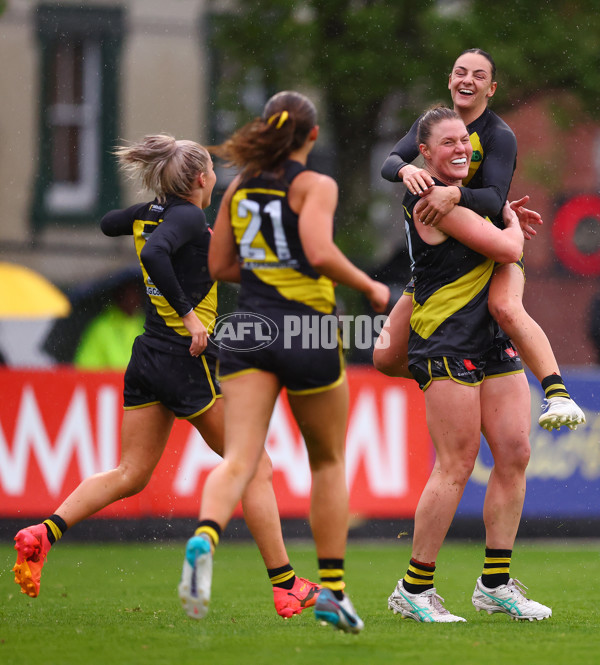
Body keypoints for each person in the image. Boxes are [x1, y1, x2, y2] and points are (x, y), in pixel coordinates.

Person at [12, 134, 321, 620]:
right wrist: (193, 317)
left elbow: (108, 222)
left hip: (149, 355)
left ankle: (43, 533)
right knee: (255, 465)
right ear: (201, 180)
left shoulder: (157, 214)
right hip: (184, 355)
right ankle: (286, 586)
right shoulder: (186, 217)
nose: (215, 178)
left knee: (129, 474)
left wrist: (149, 211)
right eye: (212, 172)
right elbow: (157, 255)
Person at [177, 91, 389, 633]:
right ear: (312, 136)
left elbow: (219, 263)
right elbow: (318, 251)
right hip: (308, 328)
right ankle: (334, 593)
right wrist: (368, 284)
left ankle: (204, 537)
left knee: (240, 459)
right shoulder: (315, 184)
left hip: (249, 328)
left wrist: (263, 272)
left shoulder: (238, 187)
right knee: (327, 461)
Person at [386, 105, 552, 622]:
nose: (461, 148)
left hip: (489, 340)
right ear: (426, 153)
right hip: (447, 340)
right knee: (456, 463)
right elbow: (507, 250)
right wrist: (506, 217)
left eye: (466, 141)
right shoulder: (432, 199)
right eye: (448, 142)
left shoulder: (469, 197)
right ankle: (414, 589)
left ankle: (495, 584)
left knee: (514, 452)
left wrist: (499, 208)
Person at [375, 48, 585, 432]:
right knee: (386, 356)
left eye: (478, 75)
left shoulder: (498, 135)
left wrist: (457, 195)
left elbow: (492, 196)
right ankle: (449, 379)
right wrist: (405, 168)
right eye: (460, 72)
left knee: (504, 307)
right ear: (449, 79)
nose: (467, 80)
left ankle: (557, 392)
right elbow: (390, 162)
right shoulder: (433, 124)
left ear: (491, 89)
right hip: (444, 259)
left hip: (492, 245)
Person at [73, 276, 145, 370]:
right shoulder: (101, 328)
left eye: (136, 293)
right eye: (127, 294)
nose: (132, 299)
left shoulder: (146, 325)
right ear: (118, 296)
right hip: (109, 383)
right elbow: (84, 367)